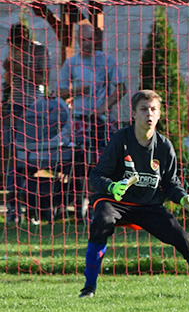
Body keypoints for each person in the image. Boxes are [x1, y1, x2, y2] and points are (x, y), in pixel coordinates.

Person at [79, 90, 189, 299]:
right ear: (133, 113)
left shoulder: (165, 146)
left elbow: (170, 183)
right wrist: (112, 187)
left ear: (159, 114)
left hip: (149, 205)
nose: (148, 114)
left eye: (153, 109)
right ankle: (88, 289)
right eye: (143, 109)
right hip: (115, 202)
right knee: (102, 220)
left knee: (185, 239)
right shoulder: (120, 140)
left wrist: (185, 199)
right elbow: (96, 175)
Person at [2, 23, 50, 222]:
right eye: (15, 43)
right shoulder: (11, 51)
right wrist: (9, 71)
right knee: (11, 156)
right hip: (14, 106)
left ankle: (32, 209)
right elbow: (9, 80)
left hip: (34, 108)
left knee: (30, 159)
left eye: (21, 41)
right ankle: (14, 207)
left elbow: (45, 80)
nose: (18, 45)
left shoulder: (39, 50)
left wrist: (18, 67)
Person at [58, 23, 126, 158]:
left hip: (100, 119)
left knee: (105, 157)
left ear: (95, 40)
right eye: (83, 39)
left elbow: (121, 89)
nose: (86, 43)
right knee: (77, 159)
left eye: (89, 39)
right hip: (78, 118)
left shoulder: (106, 60)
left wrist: (102, 107)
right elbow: (61, 92)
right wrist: (79, 89)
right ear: (78, 40)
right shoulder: (71, 62)